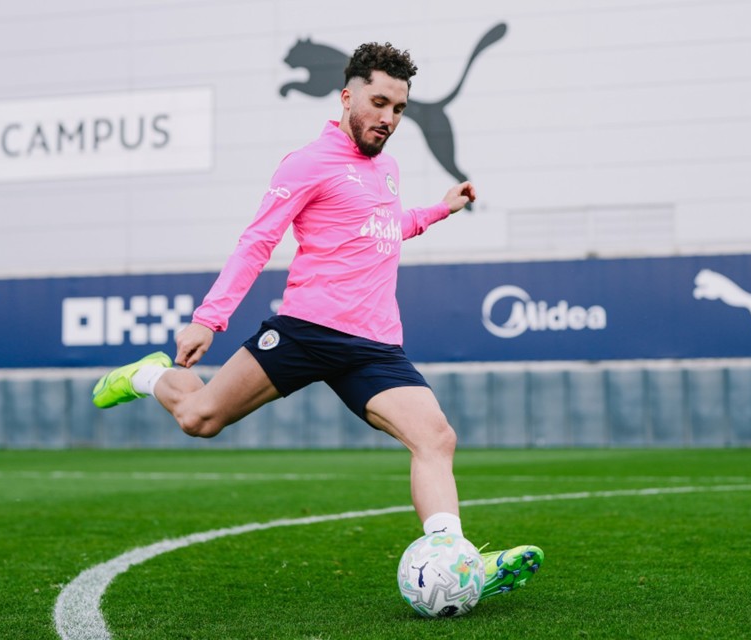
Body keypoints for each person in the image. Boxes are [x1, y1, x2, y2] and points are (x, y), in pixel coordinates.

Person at [91, 41, 541, 602]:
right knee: (199, 418)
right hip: (307, 330)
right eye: (379, 103)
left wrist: (437, 210)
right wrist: (209, 318)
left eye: (399, 109)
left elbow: (381, 229)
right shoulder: (307, 163)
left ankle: (457, 558)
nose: (388, 119)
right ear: (347, 96)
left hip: (375, 344)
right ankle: (146, 377)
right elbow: (257, 242)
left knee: (436, 437)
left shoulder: (389, 169)